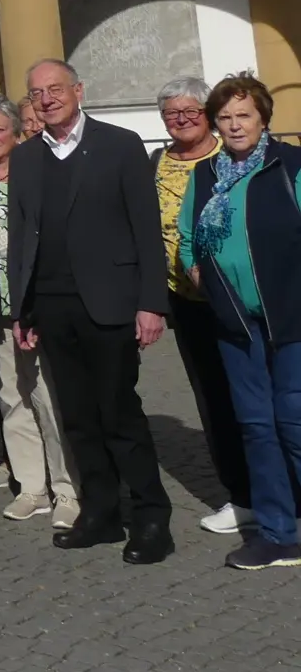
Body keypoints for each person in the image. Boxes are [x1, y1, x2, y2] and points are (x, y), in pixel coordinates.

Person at [8, 59, 173, 565]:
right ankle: (100, 512)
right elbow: (20, 238)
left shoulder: (121, 145)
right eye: (38, 93)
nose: (48, 98)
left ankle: (150, 518)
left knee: (119, 413)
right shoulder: (27, 157)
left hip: (111, 303)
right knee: (76, 416)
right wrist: (22, 309)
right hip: (53, 306)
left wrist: (151, 303)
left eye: (56, 88)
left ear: (78, 90)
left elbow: (147, 229)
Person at [178, 74, 301, 570]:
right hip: (235, 324)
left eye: (243, 115)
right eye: (225, 117)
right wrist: (198, 271)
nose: (234, 125)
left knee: (293, 422)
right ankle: (277, 534)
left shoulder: (290, 165)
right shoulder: (205, 175)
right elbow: (188, 237)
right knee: (255, 427)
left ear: (263, 118)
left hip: (293, 319)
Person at [0, 95, 79, 530]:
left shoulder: (38, 172)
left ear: (16, 132)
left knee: (49, 398)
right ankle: (31, 486)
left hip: (41, 304)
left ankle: (67, 488)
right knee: (12, 398)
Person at [154, 78, 250, 535]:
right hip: (187, 302)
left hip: (242, 299)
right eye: (172, 112)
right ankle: (241, 495)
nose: (182, 118)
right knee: (213, 399)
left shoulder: (229, 158)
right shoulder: (156, 162)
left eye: (191, 109)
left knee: (256, 395)